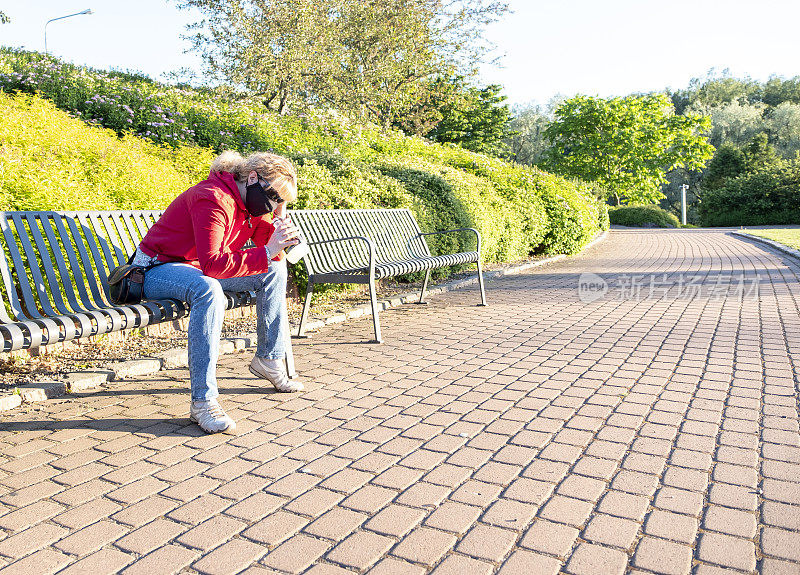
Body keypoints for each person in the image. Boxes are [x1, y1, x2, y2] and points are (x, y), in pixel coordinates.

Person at [136, 150, 304, 434]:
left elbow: (270, 256)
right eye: (274, 197)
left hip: (196, 268)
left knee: (275, 271)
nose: (273, 204)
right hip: (157, 269)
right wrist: (270, 248)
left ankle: (269, 358)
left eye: (280, 200)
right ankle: (203, 401)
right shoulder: (213, 198)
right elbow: (214, 266)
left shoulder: (250, 205)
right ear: (253, 178)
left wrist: (279, 219)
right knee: (209, 288)